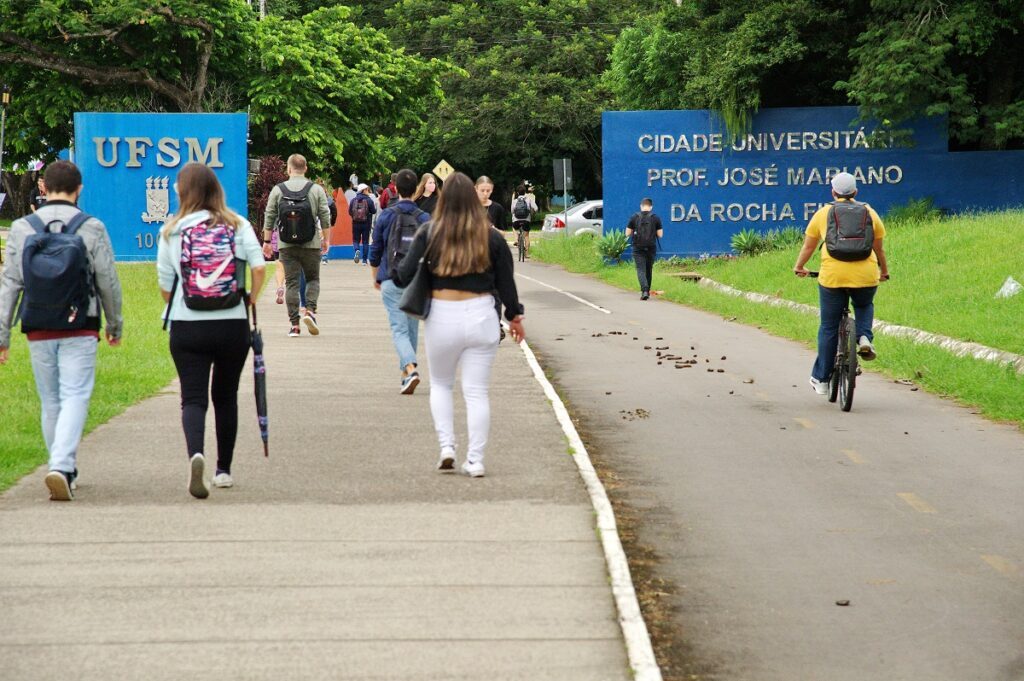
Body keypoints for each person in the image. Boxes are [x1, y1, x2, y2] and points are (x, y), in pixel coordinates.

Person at [0, 160, 123, 501]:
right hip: (81, 322)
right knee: (75, 395)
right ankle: (61, 464)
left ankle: (63, 467)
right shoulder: (92, 227)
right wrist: (114, 324)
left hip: (38, 323)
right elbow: (107, 280)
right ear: (79, 188)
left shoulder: (23, 228)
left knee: (50, 399)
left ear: (43, 187)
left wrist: (2, 335)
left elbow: (10, 282)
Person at [396, 172, 524, 477]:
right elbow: (507, 284)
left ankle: (447, 448)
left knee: (441, 384)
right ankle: (476, 460)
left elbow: (402, 275)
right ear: (472, 198)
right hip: (481, 315)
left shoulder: (429, 232)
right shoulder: (491, 237)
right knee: (477, 392)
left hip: (442, 314)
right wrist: (515, 317)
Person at [158, 163, 266, 498]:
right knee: (225, 396)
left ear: (182, 191)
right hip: (231, 324)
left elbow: (165, 285)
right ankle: (223, 471)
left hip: (187, 326)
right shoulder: (238, 224)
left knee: (192, 397)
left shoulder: (172, 231)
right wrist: (248, 299)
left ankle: (196, 454)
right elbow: (260, 266)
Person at [794, 171, 889, 395]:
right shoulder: (870, 212)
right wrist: (883, 272)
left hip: (833, 276)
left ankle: (822, 379)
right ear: (856, 192)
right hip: (865, 275)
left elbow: (808, 246)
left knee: (829, 326)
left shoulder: (823, 213)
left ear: (833, 192)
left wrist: (799, 267)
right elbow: (879, 249)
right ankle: (864, 336)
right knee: (864, 305)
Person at [369, 168, 430, 394]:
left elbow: (376, 249)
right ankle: (406, 374)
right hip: (416, 281)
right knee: (411, 328)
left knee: (399, 329)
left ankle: (410, 368)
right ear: (416, 189)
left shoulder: (386, 215)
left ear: (395, 188)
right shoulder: (424, 218)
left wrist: (375, 275)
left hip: (391, 278)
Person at [261, 154, 331, 337]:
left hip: (286, 244)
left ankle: (294, 326)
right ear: (306, 168)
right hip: (311, 243)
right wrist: (326, 239)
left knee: (291, 283)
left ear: (289, 169)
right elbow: (325, 215)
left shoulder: (278, 190)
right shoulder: (316, 189)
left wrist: (267, 241)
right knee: (312, 279)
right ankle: (310, 311)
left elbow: (269, 216)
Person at [625, 198, 663, 300]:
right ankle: (647, 291)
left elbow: (627, 233)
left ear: (641, 206)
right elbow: (660, 235)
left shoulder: (634, 217)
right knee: (648, 269)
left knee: (640, 269)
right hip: (651, 247)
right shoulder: (656, 218)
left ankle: (644, 291)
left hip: (638, 247)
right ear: (651, 207)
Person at [349, 183, 376, 264]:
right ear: (363, 190)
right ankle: (364, 260)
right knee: (365, 242)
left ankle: (357, 250)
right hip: (366, 223)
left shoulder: (353, 200)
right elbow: (374, 211)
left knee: (355, 240)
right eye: (367, 189)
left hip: (355, 223)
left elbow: (350, 211)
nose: (368, 191)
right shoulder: (369, 200)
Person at [509, 183, 538, 255]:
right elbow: (536, 208)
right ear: (525, 192)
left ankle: (517, 239)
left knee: (514, 227)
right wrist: (532, 212)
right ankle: (527, 253)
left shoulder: (515, 201)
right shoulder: (529, 199)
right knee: (526, 236)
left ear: (518, 193)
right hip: (526, 220)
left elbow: (512, 211)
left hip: (516, 221)